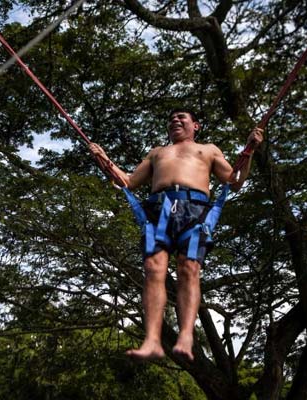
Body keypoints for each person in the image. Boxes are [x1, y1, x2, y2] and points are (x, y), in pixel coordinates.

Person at [88, 109, 263, 361]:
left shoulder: (209, 150)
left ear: (196, 125)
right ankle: (151, 340)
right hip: (158, 210)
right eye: (171, 118)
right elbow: (127, 181)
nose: (175, 120)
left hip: (194, 210)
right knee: (152, 267)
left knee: (188, 268)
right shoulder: (157, 152)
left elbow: (234, 180)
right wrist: (103, 159)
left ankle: (186, 337)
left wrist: (250, 150)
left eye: (182, 117)